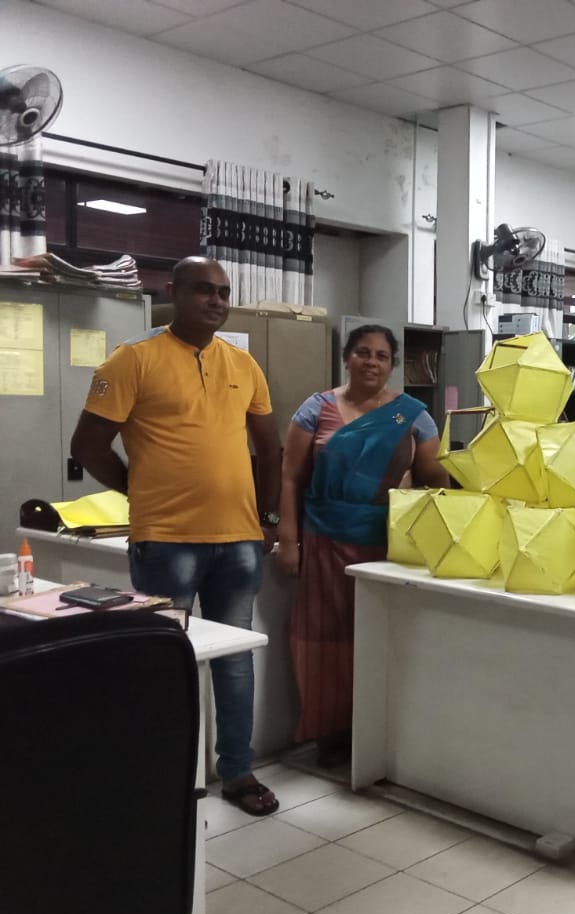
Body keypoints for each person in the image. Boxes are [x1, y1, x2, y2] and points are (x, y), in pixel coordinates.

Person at [70, 256, 282, 815]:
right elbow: (88, 447)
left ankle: (237, 773)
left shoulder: (243, 363)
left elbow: (270, 447)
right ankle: (167, 776)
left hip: (238, 540)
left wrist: (270, 519)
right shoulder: (132, 359)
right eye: (203, 291)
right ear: (174, 293)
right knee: (168, 661)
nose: (215, 300)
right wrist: (138, 491)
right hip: (167, 541)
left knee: (236, 659)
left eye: (223, 292)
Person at [278, 324, 448, 766]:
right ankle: (329, 733)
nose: (372, 362)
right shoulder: (315, 409)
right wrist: (288, 539)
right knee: (320, 638)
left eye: (382, 356)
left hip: (388, 547)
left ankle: (378, 734)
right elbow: (291, 476)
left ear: (392, 364)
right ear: (346, 357)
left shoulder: (412, 414)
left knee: (378, 638)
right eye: (363, 353)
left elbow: (436, 481)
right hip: (322, 539)